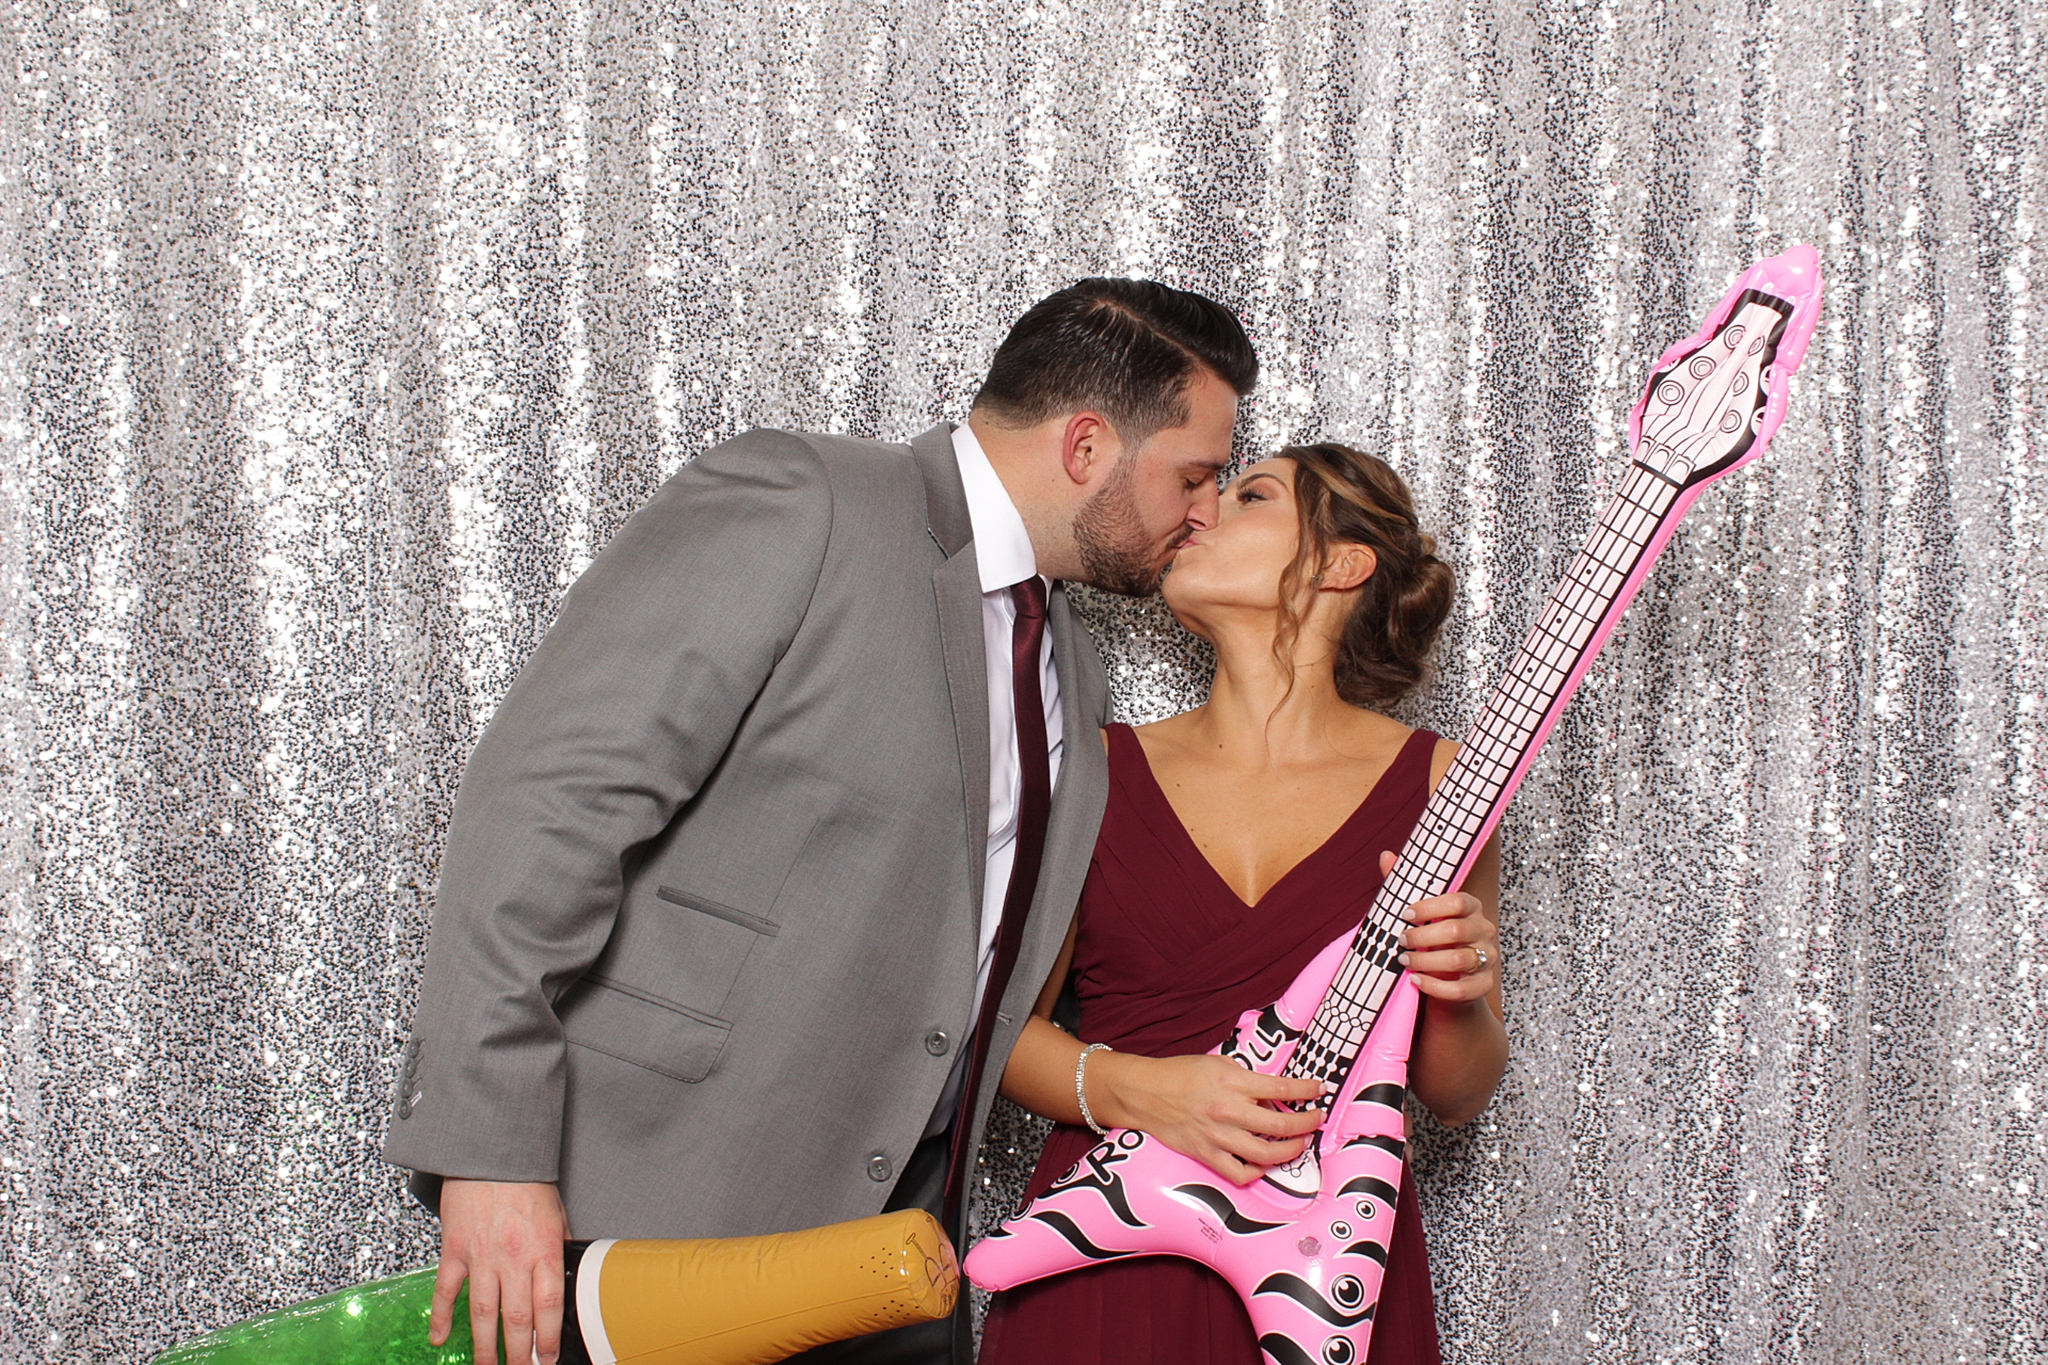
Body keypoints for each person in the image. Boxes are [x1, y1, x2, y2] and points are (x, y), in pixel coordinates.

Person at [379, 280, 1260, 1365]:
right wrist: (490, 1153)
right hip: (657, 1217)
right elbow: (550, 801)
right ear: (1085, 446)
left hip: (897, 1256)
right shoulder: (808, 501)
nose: (1208, 510)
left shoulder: (1066, 661)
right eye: (1196, 475)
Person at [978, 442, 1509, 1365]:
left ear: (1344, 565)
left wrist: (1458, 982)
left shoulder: (1445, 780)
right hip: (1106, 1248)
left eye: (1249, 495)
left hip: (1326, 1266)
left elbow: (1453, 1091)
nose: (1201, 512)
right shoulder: (1094, 767)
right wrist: (1148, 1090)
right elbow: (990, 1036)